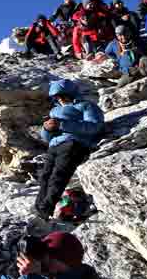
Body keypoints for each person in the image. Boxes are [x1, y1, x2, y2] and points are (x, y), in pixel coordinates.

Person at [34, 80, 104, 221]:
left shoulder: (86, 106)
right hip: (54, 146)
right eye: (57, 97)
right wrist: (47, 129)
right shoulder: (54, 111)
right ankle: (39, 209)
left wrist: (62, 124)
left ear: (71, 93)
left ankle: (45, 211)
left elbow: (94, 127)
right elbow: (47, 137)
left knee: (58, 176)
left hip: (74, 144)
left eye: (63, 95)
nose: (60, 99)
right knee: (45, 177)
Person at [8, 232, 100, 279]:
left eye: (52, 263)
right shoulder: (42, 269)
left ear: (71, 264)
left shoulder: (86, 275)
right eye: (45, 261)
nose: (50, 269)